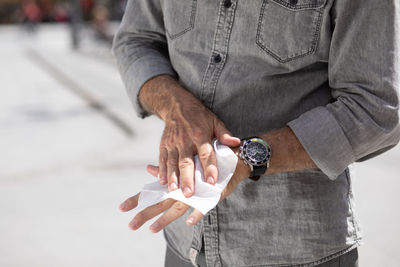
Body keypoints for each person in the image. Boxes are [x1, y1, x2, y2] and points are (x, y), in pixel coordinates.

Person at [113, 0, 400, 266]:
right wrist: (176, 107)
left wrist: (244, 158)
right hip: (183, 243)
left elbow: (374, 109)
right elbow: (136, 41)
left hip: (294, 250)